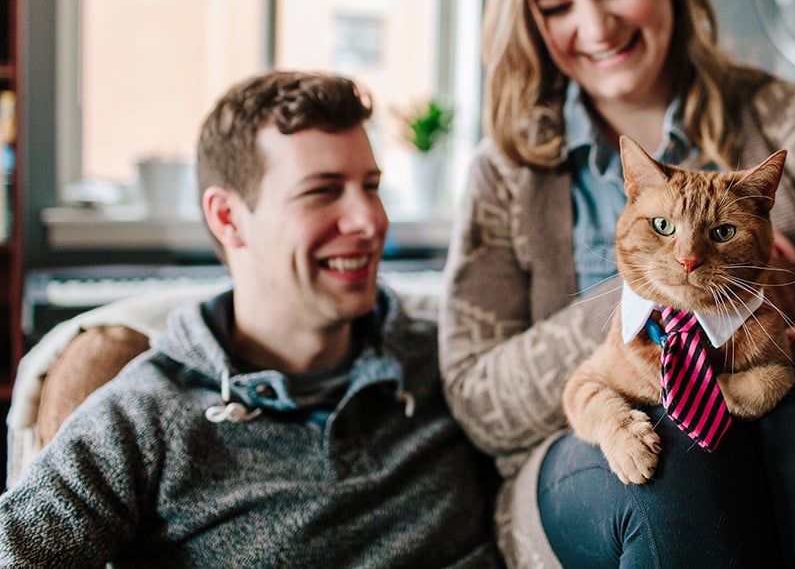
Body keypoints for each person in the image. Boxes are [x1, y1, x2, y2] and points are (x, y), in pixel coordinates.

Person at [439, 0, 795, 567]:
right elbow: (473, 398)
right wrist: (643, 296)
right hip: (590, 462)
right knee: (675, 467)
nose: (596, 25)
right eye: (556, 6)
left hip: (786, 434)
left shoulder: (790, 122)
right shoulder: (508, 169)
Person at [0, 71, 502, 567]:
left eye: (370, 186)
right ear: (228, 218)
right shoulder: (143, 418)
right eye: (323, 191)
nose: (370, 221)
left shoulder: (450, 362)